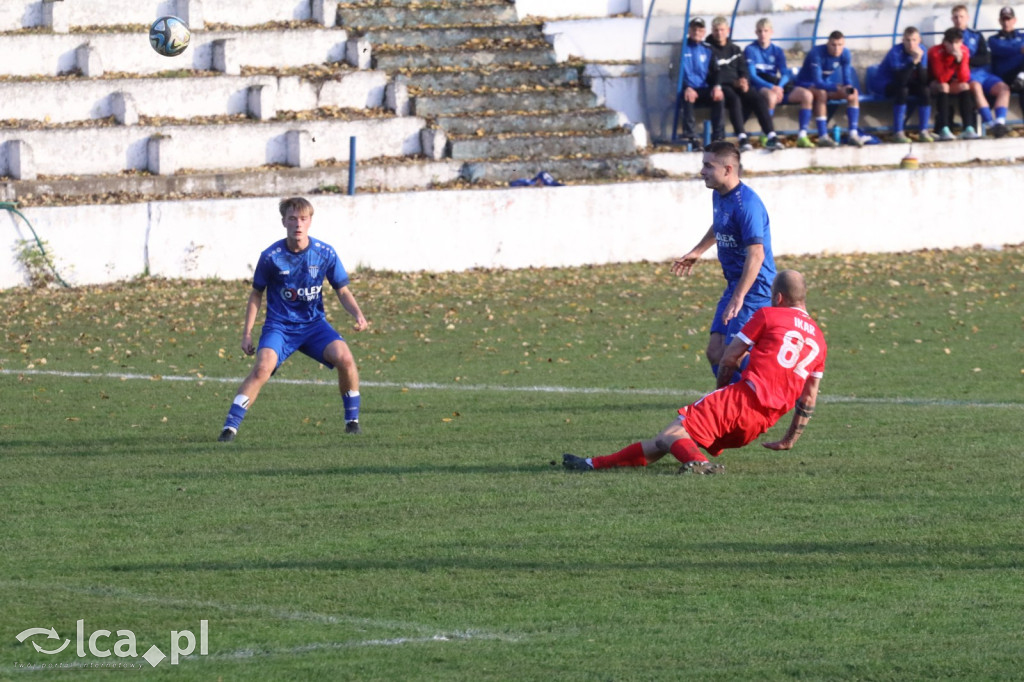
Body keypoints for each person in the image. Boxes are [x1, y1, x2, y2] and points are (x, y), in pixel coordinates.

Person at [562, 270, 827, 474]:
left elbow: (729, 358)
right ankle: (591, 464)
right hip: (763, 423)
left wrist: (720, 392)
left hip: (740, 401)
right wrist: (789, 439)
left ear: (778, 297)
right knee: (665, 441)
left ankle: (701, 465)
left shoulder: (769, 315)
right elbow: (808, 400)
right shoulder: (819, 340)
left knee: (672, 434)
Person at [218, 197, 369, 442]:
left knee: (346, 358)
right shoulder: (271, 256)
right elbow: (256, 293)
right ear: (283, 222)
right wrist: (247, 333)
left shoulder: (324, 253)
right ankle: (229, 428)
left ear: (310, 221)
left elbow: (342, 290)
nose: (297, 224)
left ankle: (352, 421)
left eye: (303, 219)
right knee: (262, 368)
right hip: (280, 326)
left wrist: (358, 314)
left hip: (314, 326)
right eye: (292, 219)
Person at [671, 140, 776, 383]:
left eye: (708, 166)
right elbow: (721, 225)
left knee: (733, 356)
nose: (702, 172)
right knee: (715, 353)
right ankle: (736, 399)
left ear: (728, 169)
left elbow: (757, 254)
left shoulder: (747, 204)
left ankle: (768, 389)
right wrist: (697, 251)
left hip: (755, 289)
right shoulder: (720, 195)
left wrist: (738, 298)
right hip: (735, 286)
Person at [706, 16, 782, 151]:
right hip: (720, 85)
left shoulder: (734, 49)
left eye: (722, 30)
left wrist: (744, 80)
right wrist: (733, 82)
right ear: (712, 31)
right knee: (735, 99)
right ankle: (742, 138)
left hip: (737, 84)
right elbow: (713, 72)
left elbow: (743, 68)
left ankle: (771, 136)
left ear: (728, 30)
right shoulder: (708, 49)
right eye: (716, 30)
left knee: (757, 98)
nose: (719, 33)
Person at [790, 31, 867, 147]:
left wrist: (848, 87)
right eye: (833, 45)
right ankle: (823, 136)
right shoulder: (816, 53)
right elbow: (817, 82)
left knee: (853, 93)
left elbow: (847, 78)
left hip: (826, 85)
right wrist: (836, 87)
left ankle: (853, 134)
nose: (837, 49)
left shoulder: (845, 54)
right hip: (806, 84)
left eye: (840, 45)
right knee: (821, 94)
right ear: (828, 43)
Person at [745, 17, 809, 147]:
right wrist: (772, 87)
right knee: (771, 96)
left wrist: (779, 87)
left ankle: (802, 135)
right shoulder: (750, 50)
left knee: (806, 95)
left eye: (766, 31)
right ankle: (766, 134)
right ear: (756, 33)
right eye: (760, 31)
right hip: (760, 86)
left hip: (775, 86)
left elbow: (785, 73)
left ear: (771, 32)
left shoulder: (777, 51)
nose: (763, 34)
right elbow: (752, 75)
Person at [951, 4, 1010, 137]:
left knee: (1004, 89)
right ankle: (990, 124)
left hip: (984, 73)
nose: (959, 19)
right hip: (968, 75)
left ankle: (1000, 122)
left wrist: (965, 59)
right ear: (952, 19)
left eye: (961, 16)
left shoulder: (976, 35)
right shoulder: (950, 37)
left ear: (967, 18)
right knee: (976, 88)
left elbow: (985, 58)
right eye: (956, 17)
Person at [868, 26, 935, 142]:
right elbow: (900, 79)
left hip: (905, 82)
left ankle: (923, 131)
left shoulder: (922, 50)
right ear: (903, 40)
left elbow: (923, 80)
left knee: (925, 90)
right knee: (902, 90)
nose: (911, 44)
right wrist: (914, 61)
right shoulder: (896, 52)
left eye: (914, 40)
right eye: (908, 40)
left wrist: (918, 60)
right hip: (884, 83)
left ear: (919, 41)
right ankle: (898, 132)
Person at [678, 17, 725, 149]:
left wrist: (717, 87)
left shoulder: (708, 49)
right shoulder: (680, 48)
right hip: (686, 89)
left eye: (700, 30)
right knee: (687, 98)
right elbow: (673, 73)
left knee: (719, 97)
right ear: (689, 31)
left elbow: (716, 71)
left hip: (703, 88)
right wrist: (686, 87)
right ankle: (692, 137)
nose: (697, 32)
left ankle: (718, 138)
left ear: (704, 32)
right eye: (694, 29)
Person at [928, 27, 977, 140]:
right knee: (944, 86)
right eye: (951, 43)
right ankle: (944, 129)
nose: (954, 47)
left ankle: (968, 128)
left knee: (964, 86)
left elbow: (964, 77)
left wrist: (959, 62)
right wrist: (955, 62)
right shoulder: (936, 52)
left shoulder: (964, 50)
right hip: (933, 82)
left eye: (957, 43)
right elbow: (941, 78)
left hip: (951, 80)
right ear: (945, 42)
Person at [988, 5, 1024, 129]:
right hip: (1003, 77)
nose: (1006, 22)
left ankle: (1021, 77)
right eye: (1003, 19)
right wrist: (1019, 49)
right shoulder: (993, 39)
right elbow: (1000, 49)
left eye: (1008, 19)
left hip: (1019, 76)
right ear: (1000, 21)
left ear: (1014, 20)